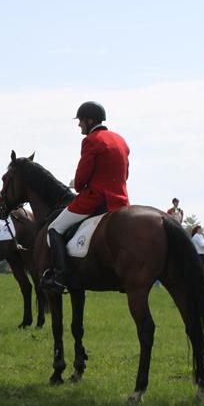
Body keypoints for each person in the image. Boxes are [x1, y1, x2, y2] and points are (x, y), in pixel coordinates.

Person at [44, 101, 130, 292]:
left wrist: (77, 183)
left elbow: (83, 177)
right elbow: (125, 174)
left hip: (95, 200)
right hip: (119, 201)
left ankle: (59, 277)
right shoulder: (120, 140)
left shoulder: (91, 140)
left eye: (81, 121)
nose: (79, 125)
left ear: (90, 120)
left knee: (55, 228)